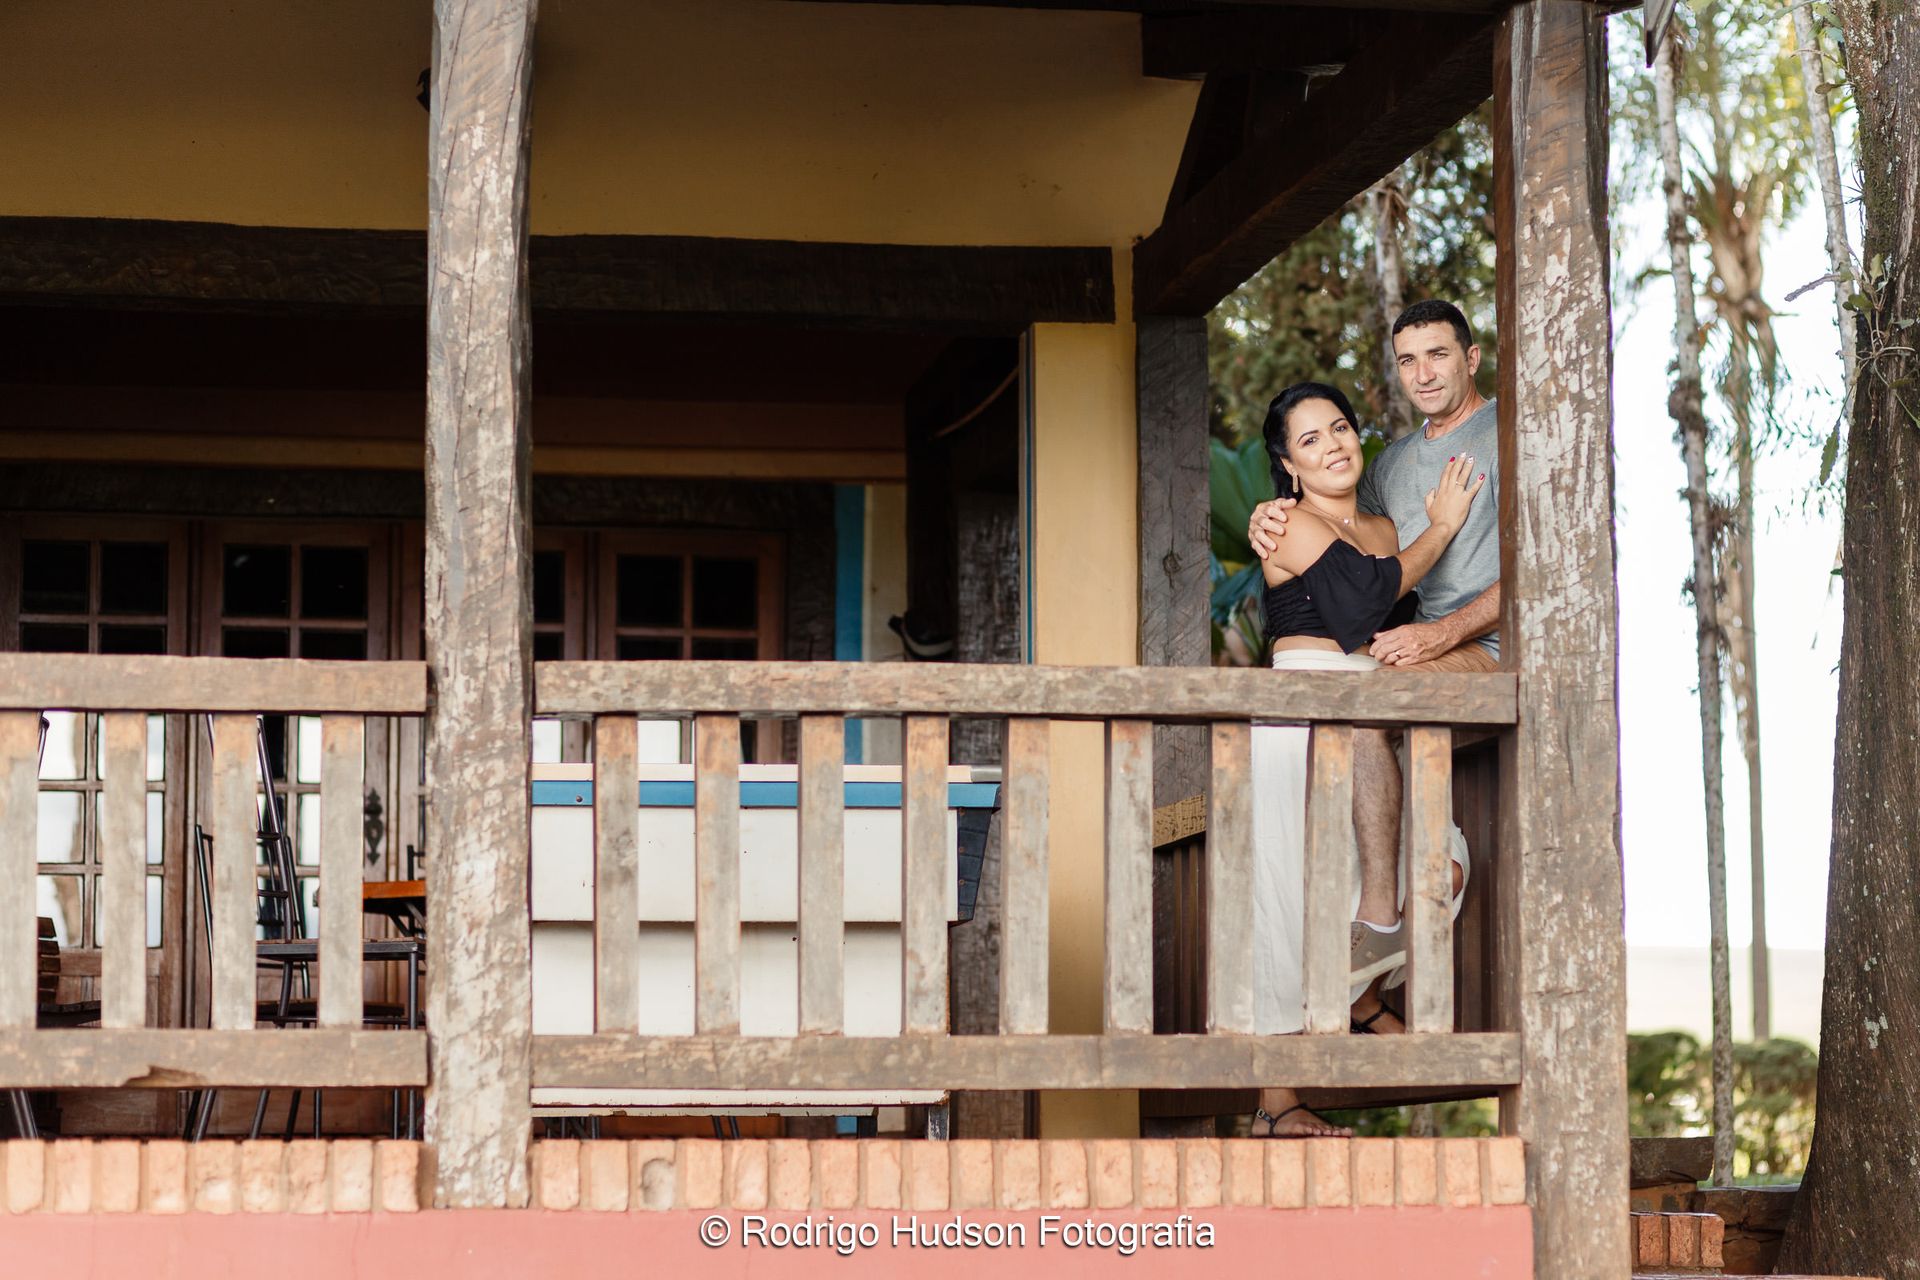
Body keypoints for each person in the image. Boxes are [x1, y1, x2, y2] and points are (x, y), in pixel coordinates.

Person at [1245, 381, 1479, 1138]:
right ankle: (1279, 1106)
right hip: (1305, 710)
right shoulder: (1289, 525)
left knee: (1441, 866)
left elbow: (1403, 604)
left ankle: (1359, 995)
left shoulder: (1384, 526)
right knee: (1292, 895)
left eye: (1339, 428)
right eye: (1310, 439)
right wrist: (1441, 529)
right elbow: (1356, 606)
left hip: (1373, 716)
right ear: (1288, 465)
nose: (1333, 445)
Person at [1244, 300, 1500, 980]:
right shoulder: (1390, 470)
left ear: (1471, 357)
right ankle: (1390, 923)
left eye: (1439, 354)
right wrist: (1275, 515)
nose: (1424, 372)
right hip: (1408, 658)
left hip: (1485, 647)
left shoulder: (1512, 432)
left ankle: (1386, 914)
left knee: (1361, 702)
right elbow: (1370, 575)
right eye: (1408, 360)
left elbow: (1550, 570)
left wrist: (1441, 631)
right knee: (1358, 715)